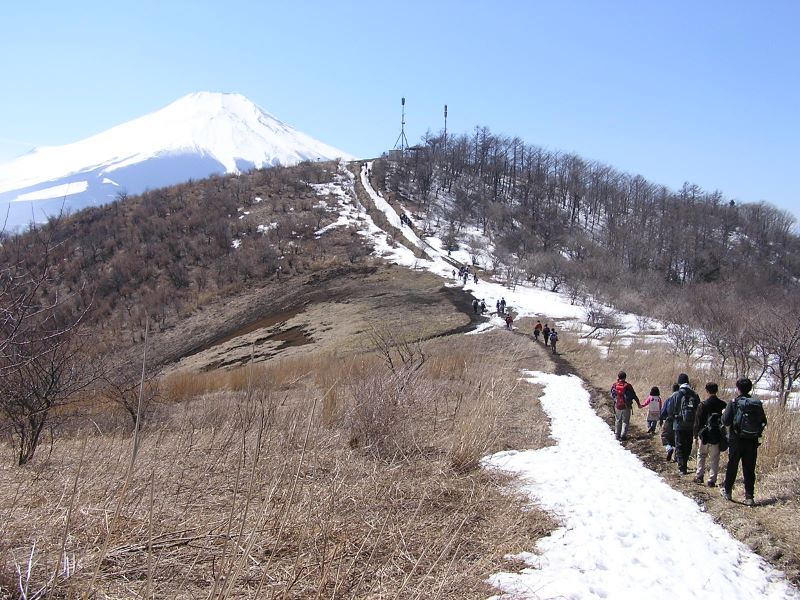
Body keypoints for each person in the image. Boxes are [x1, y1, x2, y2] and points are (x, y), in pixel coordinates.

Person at [721, 378, 767, 506]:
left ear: (738, 389)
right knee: (749, 468)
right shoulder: (757, 403)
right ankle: (749, 497)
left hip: (736, 440)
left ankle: (728, 491)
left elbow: (725, 421)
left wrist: (724, 413)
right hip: (752, 441)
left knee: (732, 466)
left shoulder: (734, 402)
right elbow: (763, 421)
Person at [665, 374, 701, 475]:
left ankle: (682, 467)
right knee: (688, 444)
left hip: (678, 424)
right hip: (691, 424)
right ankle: (685, 462)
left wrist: (673, 419)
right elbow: (699, 410)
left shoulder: (676, 394)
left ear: (679, 382)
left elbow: (670, 410)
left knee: (679, 444)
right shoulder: (695, 394)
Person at [694, 382, 727, 487]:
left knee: (701, 455)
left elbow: (698, 422)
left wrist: (695, 435)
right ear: (716, 390)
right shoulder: (723, 404)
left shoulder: (702, 405)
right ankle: (712, 480)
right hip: (717, 436)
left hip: (704, 435)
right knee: (715, 458)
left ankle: (699, 476)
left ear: (707, 391)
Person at [611, 371, 640, 441]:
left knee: (618, 420)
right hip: (626, 406)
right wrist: (638, 404)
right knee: (626, 421)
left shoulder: (614, 385)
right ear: (625, 377)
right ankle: (623, 435)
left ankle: (617, 435)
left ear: (618, 377)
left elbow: (612, 394)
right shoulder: (628, 386)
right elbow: (634, 395)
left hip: (618, 405)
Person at [660, 383, 680, 461]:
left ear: (673, 389)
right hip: (679, 422)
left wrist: (661, 419)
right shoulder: (682, 398)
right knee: (677, 439)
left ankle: (669, 448)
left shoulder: (669, 399)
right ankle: (676, 456)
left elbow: (663, 412)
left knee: (665, 437)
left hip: (669, 421)